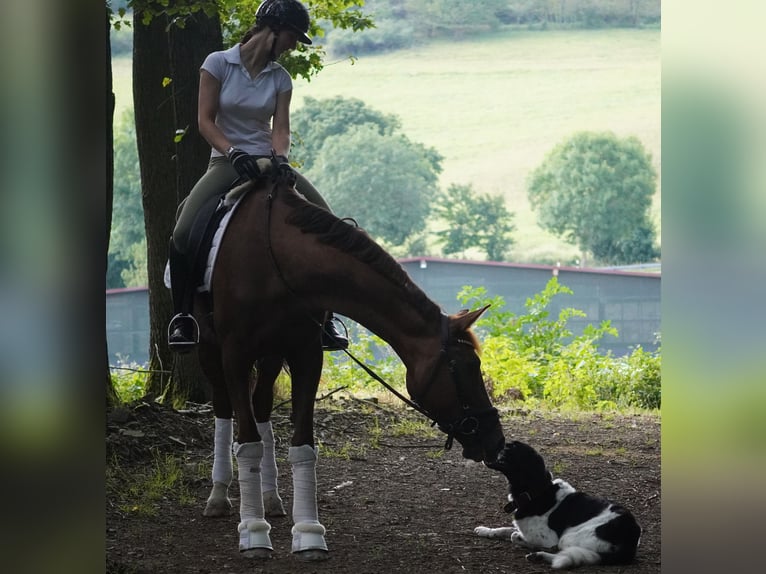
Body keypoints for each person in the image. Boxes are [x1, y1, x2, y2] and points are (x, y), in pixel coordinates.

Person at [167, 0, 348, 353]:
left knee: (330, 223)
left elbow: (281, 129)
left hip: (269, 162)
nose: (295, 45)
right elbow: (205, 120)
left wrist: (280, 159)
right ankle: (183, 318)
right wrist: (233, 153)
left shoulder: (281, 78)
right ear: (273, 30)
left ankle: (327, 321)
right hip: (226, 162)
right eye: (293, 37)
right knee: (183, 230)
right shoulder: (217, 63)